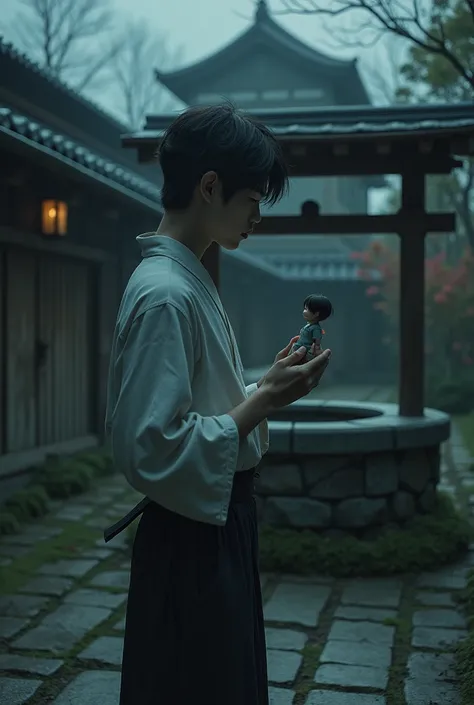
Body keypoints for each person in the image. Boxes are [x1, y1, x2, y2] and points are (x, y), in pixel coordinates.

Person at [104, 103, 331, 705]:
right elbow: (152, 445)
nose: (258, 215)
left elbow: (198, 409)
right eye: (253, 198)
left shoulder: (184, 281)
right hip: (192, 538)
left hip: (212, 525)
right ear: (210, 187)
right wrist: (261, 405)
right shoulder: (167, 294)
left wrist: (265, 387)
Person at [290, 294, 333, 361]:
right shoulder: (309, 325)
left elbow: (317, 343)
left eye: (306, 309)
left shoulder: (316, 328)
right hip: (298, 349)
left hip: (305, 352)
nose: (304, 311)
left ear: (316, 314)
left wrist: (316, 352)